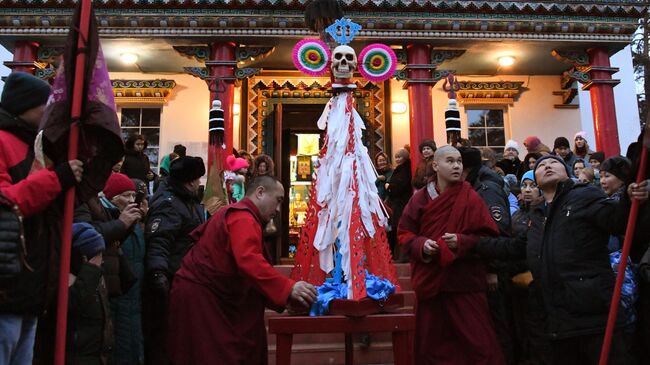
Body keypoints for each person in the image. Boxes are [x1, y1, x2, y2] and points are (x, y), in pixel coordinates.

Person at [477, 155, 648, 364]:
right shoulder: (537, 215)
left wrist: (629, 200)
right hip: (554, 321)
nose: (547, 166)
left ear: (567, 172)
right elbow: (515, 247)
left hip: (594, 316)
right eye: (542, 166)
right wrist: (470, 243)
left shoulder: (585, 195)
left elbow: (617, 220)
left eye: (554, 163)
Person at [168, 175, 317, 364]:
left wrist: (283, 299)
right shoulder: (242, 217)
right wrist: (288, 288)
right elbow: (248, 260)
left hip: (210, 296)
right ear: (260, 192)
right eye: (278, 200)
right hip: (202, 298)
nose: (278, 209)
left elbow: (247, 272)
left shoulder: (244, 216)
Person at [0, 72, 83, 365]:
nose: (49, 111)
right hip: (9, 278)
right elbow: (7, 201)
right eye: (43, 105)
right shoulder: (3, 142)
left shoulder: (38, 146)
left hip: (32, 279)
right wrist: (57, 178)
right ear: (24, 106)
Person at [398, 145, 504, 364]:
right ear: (435, 165)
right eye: (450, 161)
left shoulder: (471, 198)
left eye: (459, 162)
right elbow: (405, 233)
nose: (456, 166)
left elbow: (489, 239)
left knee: (480, 346)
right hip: (432, 284)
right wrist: (421, 245)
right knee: (431, 348)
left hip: (464, 283)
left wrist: (462, 242)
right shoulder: (419, 199)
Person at [143, 156, 206, 365]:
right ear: (189, 181)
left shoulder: (189, 202)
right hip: (171, 280)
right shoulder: (170, 204)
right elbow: (159, 240)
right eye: (197, 179)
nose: (199, 183)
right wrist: (158, 274)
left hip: (185, 279)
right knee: (165, 339)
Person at [459, 147, 514, 363]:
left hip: (493, 269)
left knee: (498, 325)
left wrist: (493, 269)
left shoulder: (486, 189)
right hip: (481, 266)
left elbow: (497, 229)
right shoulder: (473, 185)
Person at [67, 223, 112, 365]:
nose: (100, 260)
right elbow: (74, 304)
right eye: (95, 255)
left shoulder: (95, 276)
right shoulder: (69, 278)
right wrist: (91, 270)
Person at [384, 148, 412, 260]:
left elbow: (400, 185)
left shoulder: (404, 170)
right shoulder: (401, 169)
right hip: (397, 202)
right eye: (396, 157)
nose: (397, 159)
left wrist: (389, 187)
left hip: (400, 203)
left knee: (397, 227)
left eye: (399, 157)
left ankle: (399, 255)